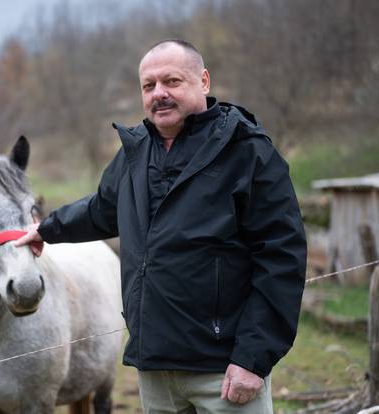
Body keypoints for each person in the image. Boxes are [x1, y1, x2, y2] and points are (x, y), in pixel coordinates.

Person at [15, 39, 307, 413]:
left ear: (203, 81)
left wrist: (253, 358)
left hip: (225, 371)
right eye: (149, 86)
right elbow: (102, 209)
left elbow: (282, 258)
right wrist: (48, 229)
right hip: (155, 372)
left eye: (172, 81)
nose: (159, 94)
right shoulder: (135, 154)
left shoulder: (248, 152)